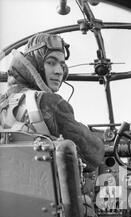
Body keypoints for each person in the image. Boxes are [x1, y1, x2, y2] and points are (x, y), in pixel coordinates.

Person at [0, 33, 104, 169]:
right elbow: (94, 155)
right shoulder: (50, 103)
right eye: (51, 62)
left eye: (62, 65)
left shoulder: (3, 102)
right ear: (34, 65)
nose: (59, 71)